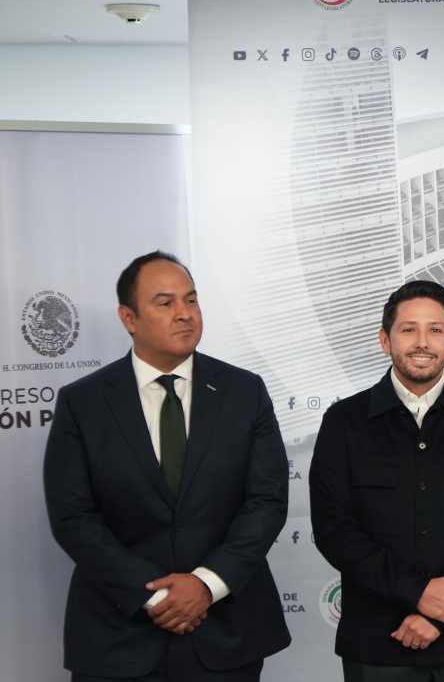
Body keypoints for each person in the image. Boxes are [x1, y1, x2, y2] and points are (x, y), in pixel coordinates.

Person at [43, 251, 291, 681]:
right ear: (129, 317)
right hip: (118, 635)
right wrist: (154, 597)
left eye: (191, 300)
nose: (185, 314)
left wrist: (207, 584)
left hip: (227, 634)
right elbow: (73, 517)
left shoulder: (244, 392)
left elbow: (267, 501)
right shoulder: (82, 403)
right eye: (165, 303)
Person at [309, 280, 444, 682]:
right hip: (378, 640)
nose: (422, 342)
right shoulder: (344, 424)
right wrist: (417, 593)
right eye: (408, 329)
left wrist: (442, 609)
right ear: (384, 339)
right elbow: (334, 530)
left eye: (435, 330)